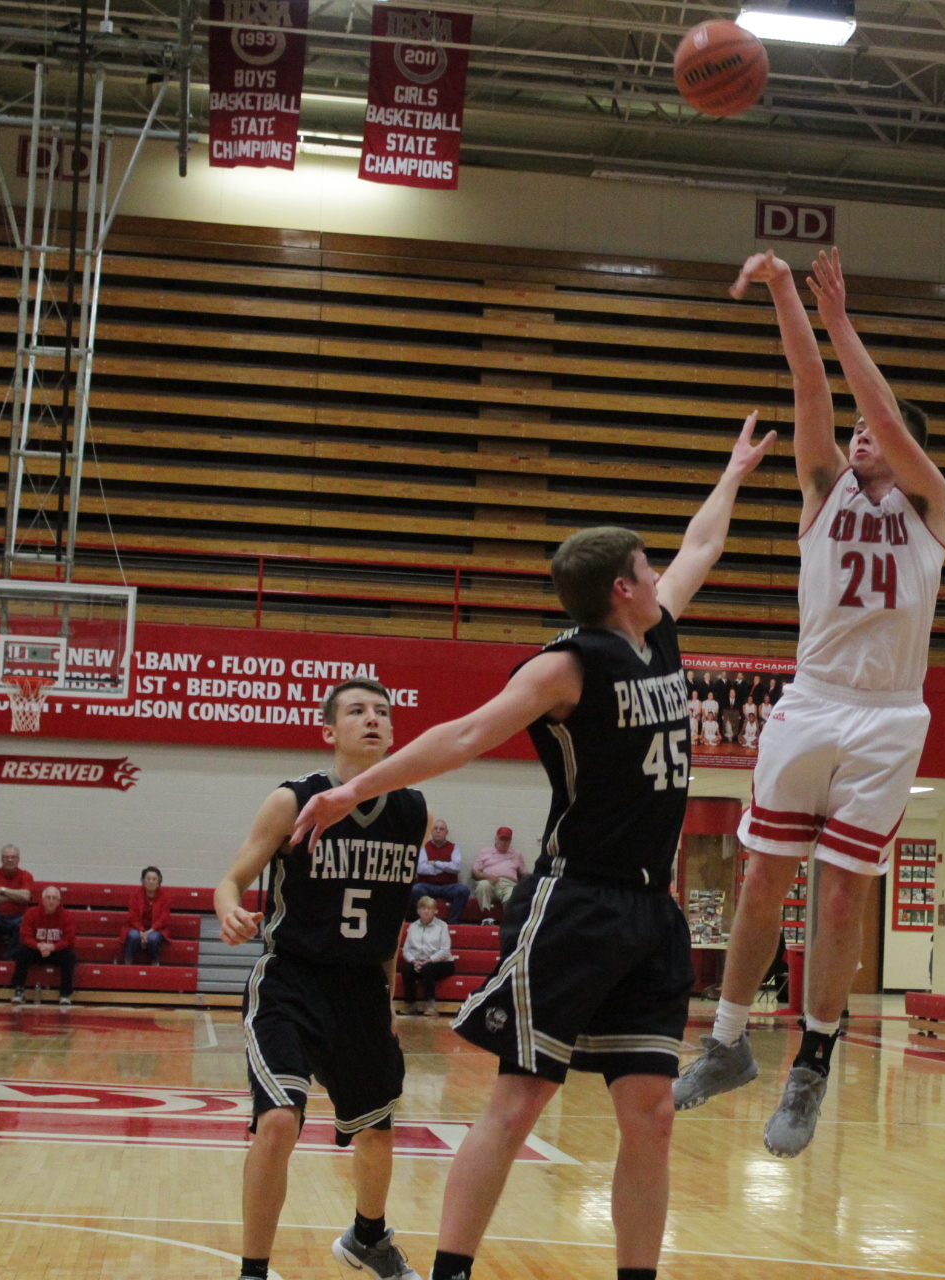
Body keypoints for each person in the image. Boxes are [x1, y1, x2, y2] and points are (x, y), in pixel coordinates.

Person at [287, 415, 771, 1280]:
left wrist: (733, 473)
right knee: (519, 1101)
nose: (661, 573)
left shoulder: (656, 631)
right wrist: (354, 789)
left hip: (649, 911)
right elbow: (465, 734)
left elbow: (702, 543)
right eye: (648, 567)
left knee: (652, 1113)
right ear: (624, 587)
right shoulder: (566, 667)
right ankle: (451, 1273)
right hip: (575, 903)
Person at [675, 247, 945, 1162]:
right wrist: (789, 295)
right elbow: (808, 389)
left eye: (877, 432)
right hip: (814, 699)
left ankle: (813, 1064)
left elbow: (881, 414)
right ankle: (726, 1041)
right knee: (762, 878)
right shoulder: (824, 490)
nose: (862, 437)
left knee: (839, 905)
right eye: (857, 431)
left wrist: (842, 323)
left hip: (891, 715)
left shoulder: (928, 503)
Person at [213, 679, 434, 1280]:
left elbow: (388, 923)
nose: (373, 719)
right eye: (357, 711)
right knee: (279, 1120)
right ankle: (253, 1271)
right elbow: (231, 880)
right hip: (292, 979)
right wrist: (229, 909)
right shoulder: (292, 800)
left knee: (377, 1129)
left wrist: (387, 1000)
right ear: (329, 731)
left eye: (382, 711)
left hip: (361, 987)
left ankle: (369, 1239)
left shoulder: (413, 812)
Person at [11, 885, 78, 1005]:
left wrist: (53, 947)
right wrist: (38, 945)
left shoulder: (67, 915)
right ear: (42, 900)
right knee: (22, 952)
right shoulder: (32, 913)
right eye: (48, 897)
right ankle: (19, 991)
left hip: (55, 951)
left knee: (69, 956)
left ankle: (65, 994)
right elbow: (25, 936)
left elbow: (69, 939)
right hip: (37, 950)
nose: (51, 901)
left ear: (59, 901)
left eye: (54, 898)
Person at [398, 896, 455, 1016]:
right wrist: (413, 961)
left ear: (435, 911)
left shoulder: (442, 926)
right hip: (419, 962)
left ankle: (431, 1006)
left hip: (442, 963)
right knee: (407, 969)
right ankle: (411, 1005)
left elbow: (445, 951)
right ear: (418, 911)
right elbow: (406, 949)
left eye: (429, 908)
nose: (426, 911)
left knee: (427, 969)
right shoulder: (413, 926)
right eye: (423, 908)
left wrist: (428, 961)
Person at [412, 820, 471, 923]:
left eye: (441, 829)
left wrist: (435, 863)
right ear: (431, 831)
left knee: (463, 890)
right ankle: (424, 921)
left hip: (448, 886)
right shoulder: (424, 846)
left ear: (446, 832)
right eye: (435, 829)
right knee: (415, 889)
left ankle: (453, 923)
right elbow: (421, 869)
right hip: (427, 886)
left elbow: (456, 868)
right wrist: (446, 867)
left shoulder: (454, 847)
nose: (438, 831)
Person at [469, 827, 523, 914]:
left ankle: (508, 920)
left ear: (510, 841)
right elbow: (475, 871)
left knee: (512, 895)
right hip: (489, 882)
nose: (504, 842)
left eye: (507, 840)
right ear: (496, 838)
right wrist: (486, 876)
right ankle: (486, 916)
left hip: (509, 884)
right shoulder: (485, 851)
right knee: (483, 885)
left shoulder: (517, 854)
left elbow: (524, 873)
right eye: (502, 839)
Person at [124, 866, 172, 964]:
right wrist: (141, 930)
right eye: (148, 879)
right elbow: (132, 917)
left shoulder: (165, 897)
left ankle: (155, 963)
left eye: (154, 879)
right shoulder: (135, 896)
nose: (151, 882)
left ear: (159, 881)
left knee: (152, 938)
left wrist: (149, 931)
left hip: (156, 929)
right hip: (136, 928)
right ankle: (128, 963)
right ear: (143, 880)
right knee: (133, 936)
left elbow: (163, 919)